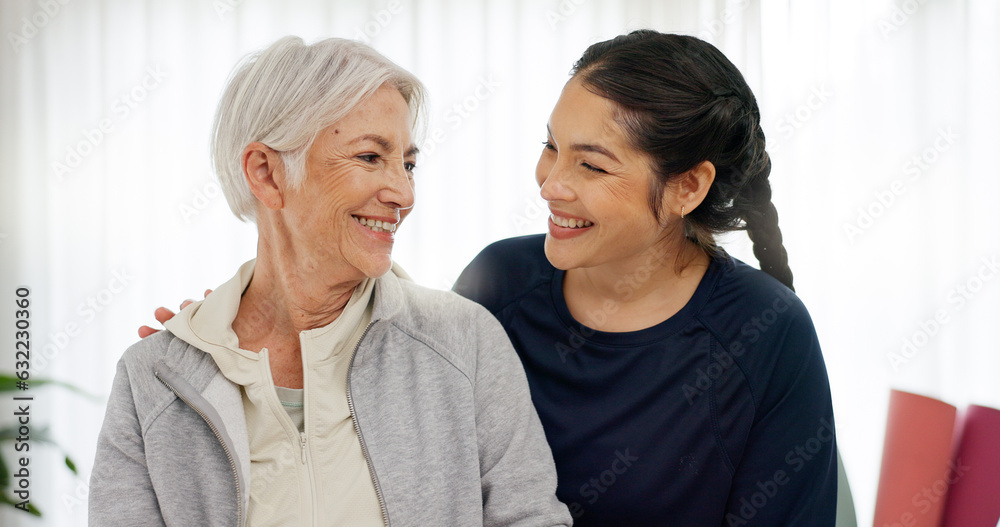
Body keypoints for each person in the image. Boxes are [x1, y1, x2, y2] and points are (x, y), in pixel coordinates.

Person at [91, 36, 571, 527]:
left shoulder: (464, 341)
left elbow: (530, 518)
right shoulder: (153, 379)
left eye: (408, 163)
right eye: (369, 158)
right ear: (267, 174)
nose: (403, 193)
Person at [452, 31, 837, 526]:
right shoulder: (497, 283)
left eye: (591, 165)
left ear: (688, 187)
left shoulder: (765, 329)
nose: (550, 185)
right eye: (551, 146)